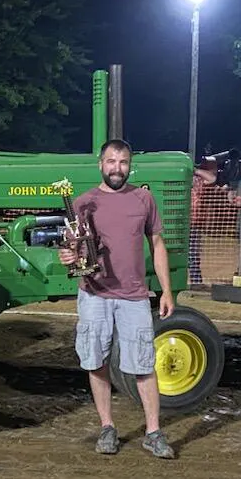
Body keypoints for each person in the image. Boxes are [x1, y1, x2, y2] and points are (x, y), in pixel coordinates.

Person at [58, 139, 176, 460]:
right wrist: (68, 256)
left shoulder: (144, 199)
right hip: (94, 294)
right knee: (96, 360)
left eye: (123, 162)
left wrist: (166, 290)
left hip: (134, 296)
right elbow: (72, 248)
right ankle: (107, 427)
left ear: (130, 166)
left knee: (143, 364)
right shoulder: (83, 202)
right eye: (111, 161)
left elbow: (157, 245)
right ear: (100, 164)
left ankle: (153, 432)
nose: (116, 168)